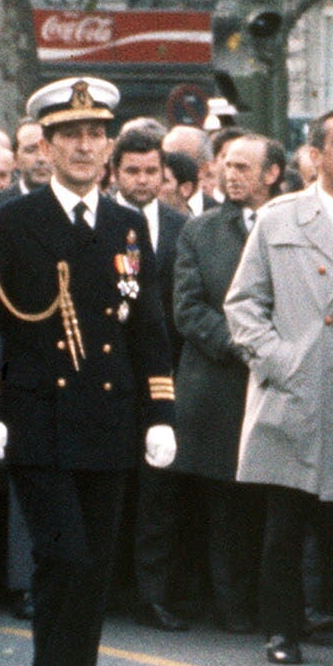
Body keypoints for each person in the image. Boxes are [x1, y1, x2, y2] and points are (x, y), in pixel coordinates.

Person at [0, 77, 176, 666]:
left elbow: (147, 327)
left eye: (95, 134)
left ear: (109, 146)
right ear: (45, 147)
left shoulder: (125, 225)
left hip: (108, 420)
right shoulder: (11, 222)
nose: (85, 147)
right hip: (39, 422)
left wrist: (160, 412)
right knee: (64, 561)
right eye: (70, 135)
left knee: (95, 573)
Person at [225, 110, 333, 665]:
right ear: (315, 155)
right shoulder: (278, 219)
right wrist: (280, 361)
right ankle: (282, 630)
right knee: (285, 524)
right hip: (297, 391)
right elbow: (243, 304)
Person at [167, 131, 273, 630]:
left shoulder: (287, 222)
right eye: (228, 165)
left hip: (278, 383)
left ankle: (278, 601)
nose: (232, 175)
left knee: (272, 502)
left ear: (272, 174)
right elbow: (188, 308)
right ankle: (231, 605)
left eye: (243, 167)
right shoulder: (201, 230)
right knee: (225, 505)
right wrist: (245, 345)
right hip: (220, 385)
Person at [108, 120, 197, 629]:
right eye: (132, 171)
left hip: (166, 375)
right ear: (115, 173)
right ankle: (107, 588)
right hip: (108, 374)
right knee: (109, 484)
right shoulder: (99, 222)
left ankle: (153, 592)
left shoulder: (183, 228)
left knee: (158, 490)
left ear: (164, 174)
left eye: (150, 171)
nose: (142, 180)